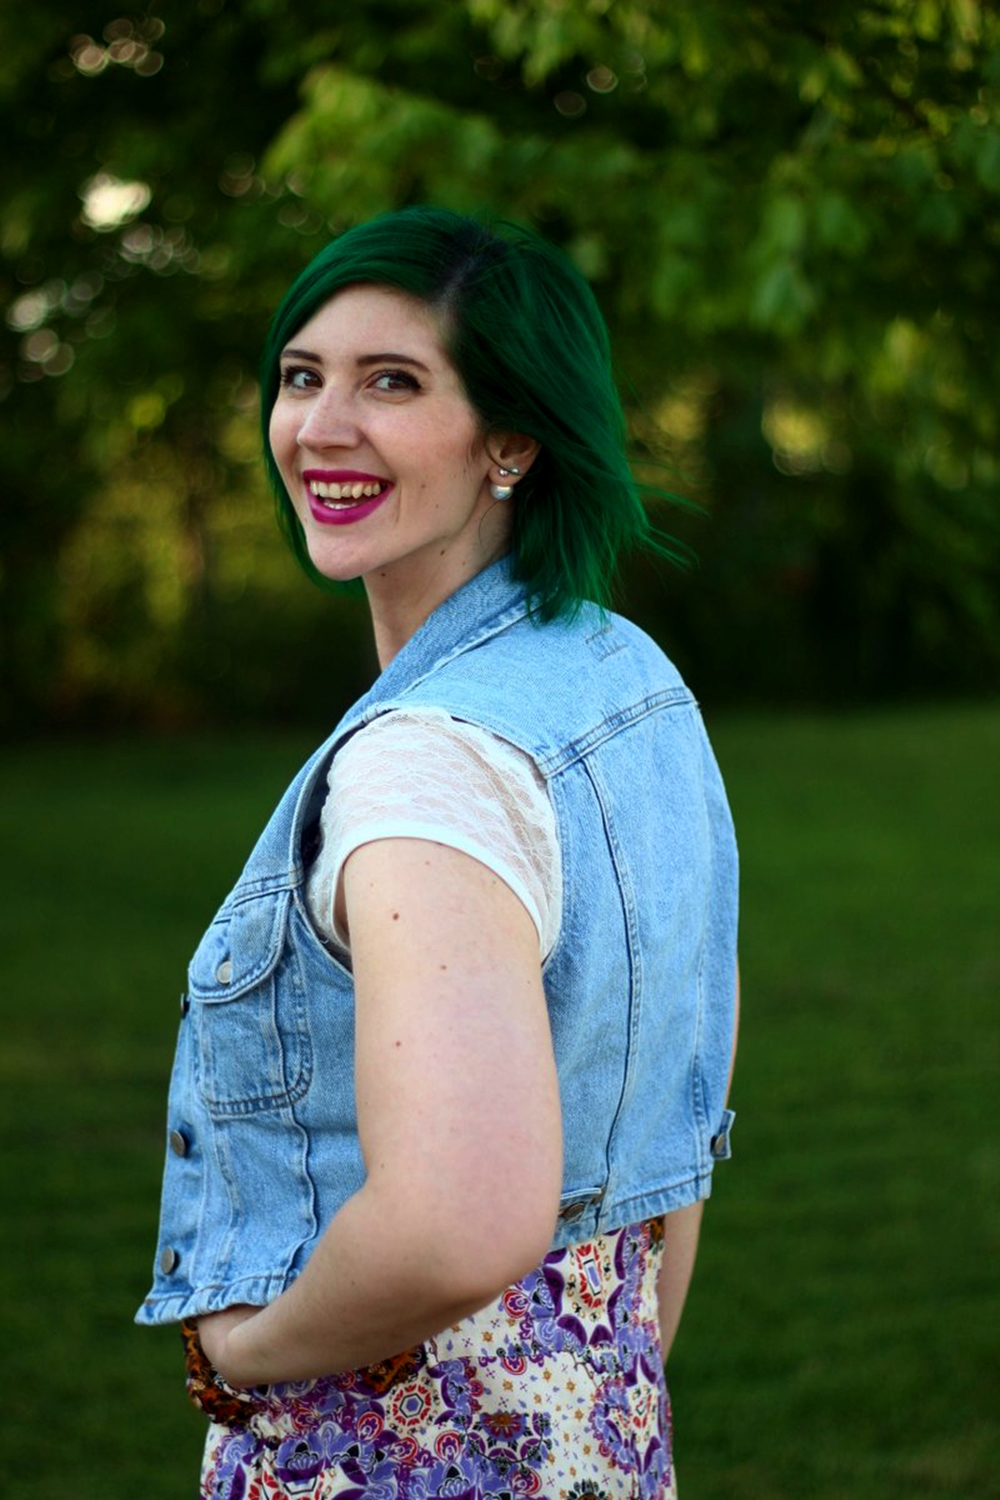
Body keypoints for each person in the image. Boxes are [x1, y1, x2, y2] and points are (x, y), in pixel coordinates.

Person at [137, 205, 739, 1499]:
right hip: (602, 1432)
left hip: (398, 1457)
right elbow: (673, 1129)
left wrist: (242, 1361)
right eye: (303, 377)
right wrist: (614, 1375)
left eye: (392, 383)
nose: (319, 426)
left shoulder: (430, 763)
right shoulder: (625, 680)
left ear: (512, 439)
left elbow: (460, 1216)